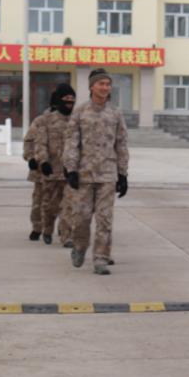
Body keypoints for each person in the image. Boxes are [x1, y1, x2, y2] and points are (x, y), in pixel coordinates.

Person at [64, 68, 129, 275]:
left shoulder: (115, 113)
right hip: (84, 174)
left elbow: (121, 143)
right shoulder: (80, 111)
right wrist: (71, 169)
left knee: (105, 219)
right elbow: (72, 141)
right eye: (101, 84)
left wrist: (123, 173)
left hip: (108, 174)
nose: (105, 88)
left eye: (108, 84)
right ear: (92, 86)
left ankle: (100, 258)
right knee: (81, 218)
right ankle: (80, 246)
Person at [30, 83, 75, 245]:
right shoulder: (45, 121)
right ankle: (45, 228)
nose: (69, 102)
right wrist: (41, 161)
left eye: (72, 99)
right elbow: (39, 143)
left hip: (70, 172)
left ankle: (66, 236)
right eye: (66, 98)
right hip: (50, 172)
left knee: (68, 206)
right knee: (48, 206)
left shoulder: (76, 120)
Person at [22, 103, 46, 242]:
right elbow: (29, 141)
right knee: (39, 201)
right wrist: (30, 157)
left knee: (66, 203)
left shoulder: (73, 120)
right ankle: (37, 227)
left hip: (64, 170)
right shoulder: (40, 121)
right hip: (41, 169)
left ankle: (64, 228)